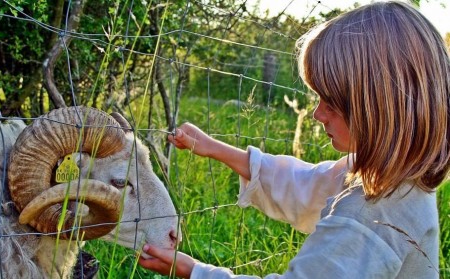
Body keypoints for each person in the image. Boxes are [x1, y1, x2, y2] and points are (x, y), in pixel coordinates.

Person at [139, 1, 450, 278]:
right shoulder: (394, 179)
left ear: (378, 107)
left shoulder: (369, 218)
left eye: (329, 101)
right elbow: (309, 185)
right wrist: (216, 149)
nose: (317, 114)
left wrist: (197, 272)